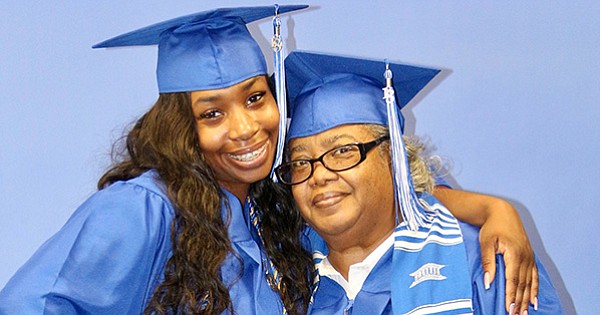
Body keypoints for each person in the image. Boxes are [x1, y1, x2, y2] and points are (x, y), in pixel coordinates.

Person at [0, 5, 538, 315]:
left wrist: (495, 210)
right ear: (182, 127)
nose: (244, 129)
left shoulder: (278, 213)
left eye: (256, 98)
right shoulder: (146, 208)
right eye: (212, 114)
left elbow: (395, 196)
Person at [275, 50, 564, 315]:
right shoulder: (282, 278)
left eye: (342, 152)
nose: (319, 175)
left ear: (392, 157)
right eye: (300, 163)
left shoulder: (481, 260)